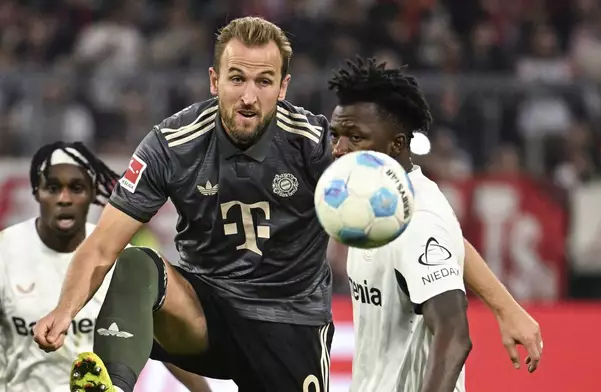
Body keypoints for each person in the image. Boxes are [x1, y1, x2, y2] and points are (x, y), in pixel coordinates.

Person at [33, 16, 541, 392]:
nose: (248, 96)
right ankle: (111, 386)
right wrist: (63, 309)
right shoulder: (172, 143)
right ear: (215, 81)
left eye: (263, 81)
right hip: (206, 313)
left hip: (289, 324)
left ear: (283, 87)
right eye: (236, 79)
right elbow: (100, 247)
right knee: (136, 263)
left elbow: (428, 228)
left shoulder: (319, 144)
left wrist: (506, 306)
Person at [324, 57, 544, 391]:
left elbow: (454, 336)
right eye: (336, 135)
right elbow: (449, 246)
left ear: (396, 144)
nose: (339, 149)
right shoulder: (375, 202)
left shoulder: (418, 220)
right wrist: (505, 306)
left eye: (355, 137)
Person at [0, 142, 210, 392]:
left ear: (92, 193)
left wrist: (202, 390)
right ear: (36, 193)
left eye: (76, 188)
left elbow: (162, 339)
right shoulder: (5, 252)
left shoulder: (127, 263)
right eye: (53, 188)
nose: (64, 199)